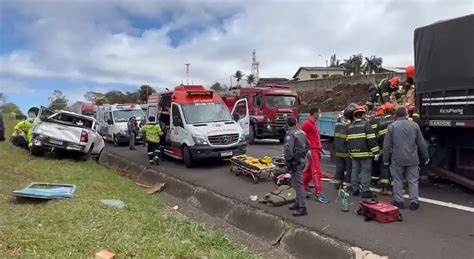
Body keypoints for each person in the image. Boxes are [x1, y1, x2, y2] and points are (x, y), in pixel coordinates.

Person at [383, 106, 429, 210]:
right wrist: (426, 156)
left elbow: (386, 146)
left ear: (396, 115)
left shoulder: (392, 127)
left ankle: (399, 201)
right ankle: (414, 202)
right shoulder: (414, 125)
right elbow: (422, 143)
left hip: (397, 158)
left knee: (398, 180)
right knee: (413, 180)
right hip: (412, 158)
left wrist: (385, 160)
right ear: (406, 114)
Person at [346, 106, 380, 198]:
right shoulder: (366, 124)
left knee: (355, 171)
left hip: (354, 154)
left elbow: (347, 141)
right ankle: (365, 190)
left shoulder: (349, 126)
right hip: (365, 154)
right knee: (366, 171)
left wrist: (350, 153)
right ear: (363, 114)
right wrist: (376, 152)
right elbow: (371, 139)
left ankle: (355, 189)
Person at [301, 107, 329, 203]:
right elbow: (301, 136)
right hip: (312, 151)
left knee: (310, 171)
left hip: (316, 150)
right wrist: (306, 149)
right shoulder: (307, 124)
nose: (320, 114)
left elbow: (315, 138)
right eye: (319, 112)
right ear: (315, 113)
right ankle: (319, 193)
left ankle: (303, 186)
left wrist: (320, 148)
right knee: (316, 172)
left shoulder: (313, 124)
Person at [284, 116, 310, 217]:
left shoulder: (290, 134)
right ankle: (298, 202)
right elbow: (308, 145)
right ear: (296, 123)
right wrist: (301, 155)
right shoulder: (302, 132)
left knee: (298, 185)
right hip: (301, 161)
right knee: (295, 183)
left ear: (287, 124)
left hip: (294, 162)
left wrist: (289, 160)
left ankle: (302, 207)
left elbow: (288, 151)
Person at [375, 103, 396, 194]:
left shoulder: (380, 122)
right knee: (395, 167)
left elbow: (377, 137)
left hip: (384, 148)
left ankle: (384, 187)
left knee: (384, 167)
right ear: (392, 111)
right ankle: (395, 186)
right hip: (395, 148)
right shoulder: (395, 120)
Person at [333, 112, 352, 189]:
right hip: (347, 152)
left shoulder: (337, 125)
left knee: (339, 167)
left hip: (338, 151)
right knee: (349, 168)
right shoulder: (350, 126)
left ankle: (337, 183)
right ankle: (348, 184)